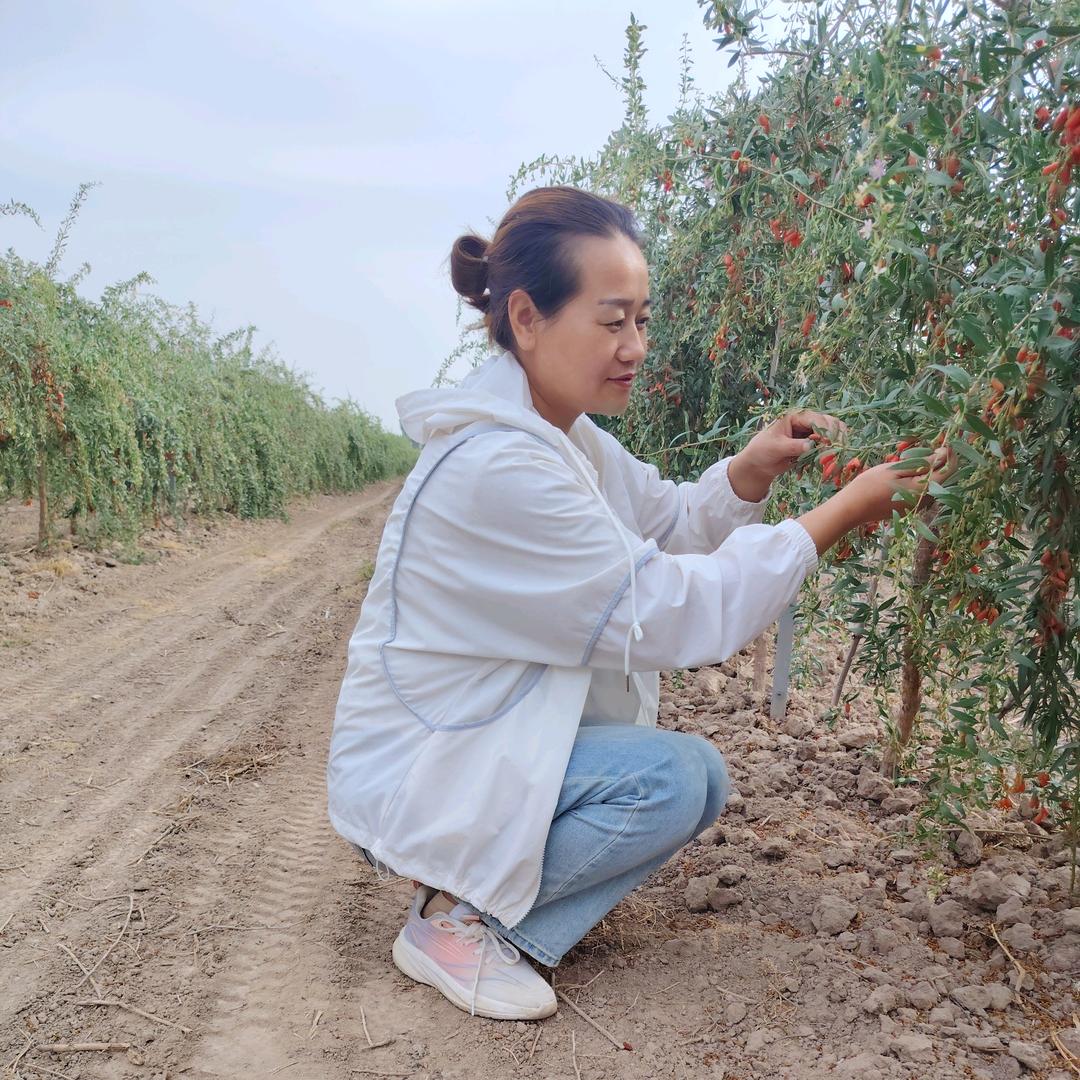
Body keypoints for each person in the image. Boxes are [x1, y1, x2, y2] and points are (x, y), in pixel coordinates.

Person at [326, 185, 955, 1022]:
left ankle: (476, 898)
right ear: (527, 317)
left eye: (643, 321)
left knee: (691, 779)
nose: (636, 347)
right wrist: (843, 511)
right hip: (432, 769)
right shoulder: (497, 469)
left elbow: (667, 522)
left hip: (483, 735)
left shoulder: (562, 436)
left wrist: (750, 470)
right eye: (613, 321)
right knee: (672, 779)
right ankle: (458, 924)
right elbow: (665, 609)